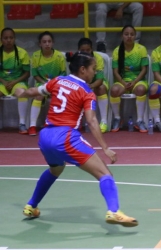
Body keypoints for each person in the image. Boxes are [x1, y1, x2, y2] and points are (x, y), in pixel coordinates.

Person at [14, 51, 138, 227]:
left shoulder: (57, 81)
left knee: (55, 169)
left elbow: (34, 91)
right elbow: (92, 121)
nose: (94, 72)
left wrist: (21, 93)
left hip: (45, 136)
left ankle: (31, 206)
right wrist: (105, 148)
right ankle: (114, 211)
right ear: (82, 70)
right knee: (105, 174)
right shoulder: (86, 92)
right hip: (65, 137)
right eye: (93, 69)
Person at [110, 25, 149, 133]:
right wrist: (123, 82)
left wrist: (134, 82)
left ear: (135, 36)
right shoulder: (117, 51)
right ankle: (118, 118)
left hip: (138, 80)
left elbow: (144, 70)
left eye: (132, 34)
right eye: (126, 34)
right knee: (114, 91)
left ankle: (140, 120)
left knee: (140, 89)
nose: (129, 37)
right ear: (122, 36)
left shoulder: (141, 49)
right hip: (123, 81)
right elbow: (115, 72)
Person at [29, 31, 67, 136]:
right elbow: (35, 75)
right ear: (39, 44)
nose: (47, 44)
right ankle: (32, 126)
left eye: (49, 41)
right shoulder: (36, 56)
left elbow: (63, 75)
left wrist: (53, 85)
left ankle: (56, 124)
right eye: (44, 42)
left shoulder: (59, 56)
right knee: (38, 95)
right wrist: (46, 85)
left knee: (60, 96)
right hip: (41, 83)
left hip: (57, 84)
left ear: (53, 43)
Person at [0, 27, 30, 134]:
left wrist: (14, 82)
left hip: (18, 82)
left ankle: (22, 124)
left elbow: (27, 73)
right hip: (2, 82)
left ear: (14, 39)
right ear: (1, 40)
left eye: (11, 38)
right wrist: (3, 81)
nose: (8, 40)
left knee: (22, 93)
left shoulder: (23, 53)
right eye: (5, 38)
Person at [77, 37, 109, 133]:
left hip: (96, 84)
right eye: (83, 50)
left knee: (101, 88)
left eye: (88, 50)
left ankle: (103, 121)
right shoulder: (76, 59)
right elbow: (76, 78)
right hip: (82, 84)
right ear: (79, 50)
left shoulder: (98, 59)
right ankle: (77, 121)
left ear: (91, 49)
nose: (86, 52)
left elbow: (99, 79)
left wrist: (90, 86)